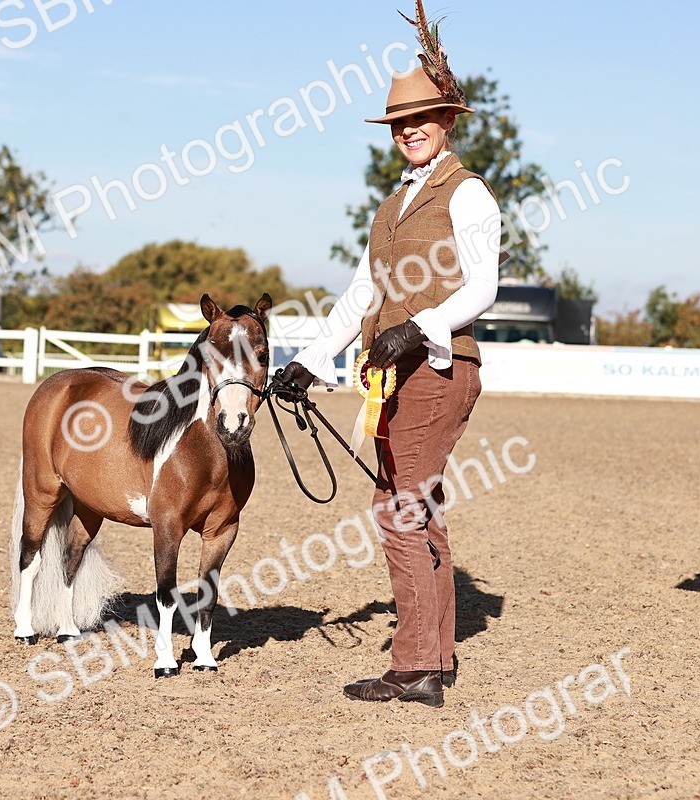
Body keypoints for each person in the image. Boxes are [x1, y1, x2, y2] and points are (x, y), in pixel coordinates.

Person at [277, 11, 501, 708]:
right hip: (391, 376)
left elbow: (483, 286)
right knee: (416, 509)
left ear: (448, 120)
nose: (409, 130)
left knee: (398, 508)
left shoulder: (467, 192)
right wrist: (312, 360)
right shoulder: (389, 207)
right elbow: (362, 293)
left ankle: (414, 667)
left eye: (421, 118)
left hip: (438, 369)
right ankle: (435, 660)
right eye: (400, 122)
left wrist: (418, 328)